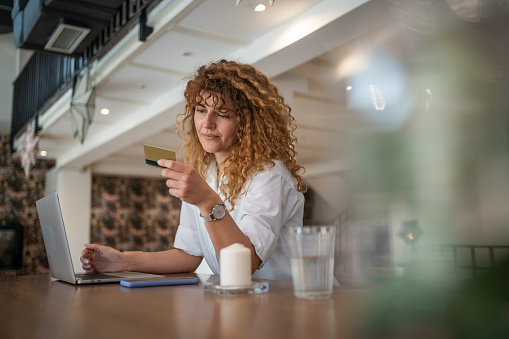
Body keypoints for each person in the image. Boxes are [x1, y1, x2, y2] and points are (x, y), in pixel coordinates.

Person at [80, 59, 306, 281]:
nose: (207, 123)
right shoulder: (205, 173)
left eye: (223, 113)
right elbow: (188, 254)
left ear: (248, 123)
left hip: (282, 303)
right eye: (200, 110)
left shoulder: (270, 176)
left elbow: (245, 264)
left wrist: (207, 201)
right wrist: (123, 261)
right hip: (240, 301)